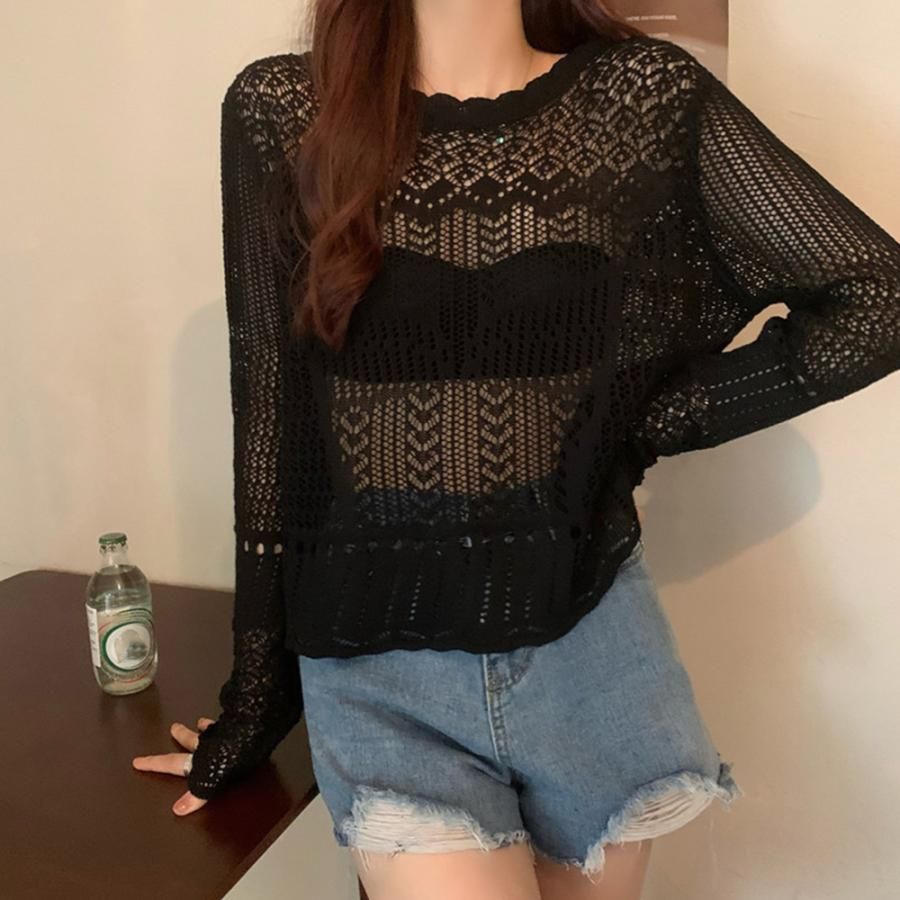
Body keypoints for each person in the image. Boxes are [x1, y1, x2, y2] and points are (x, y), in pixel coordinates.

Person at [133, 1, 900, 898]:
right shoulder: (284, 111)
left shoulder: (641, 97)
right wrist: (258, 698)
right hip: (381, 662)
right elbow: (272, 420)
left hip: (594, 647)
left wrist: (649, 421)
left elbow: (878, 298)